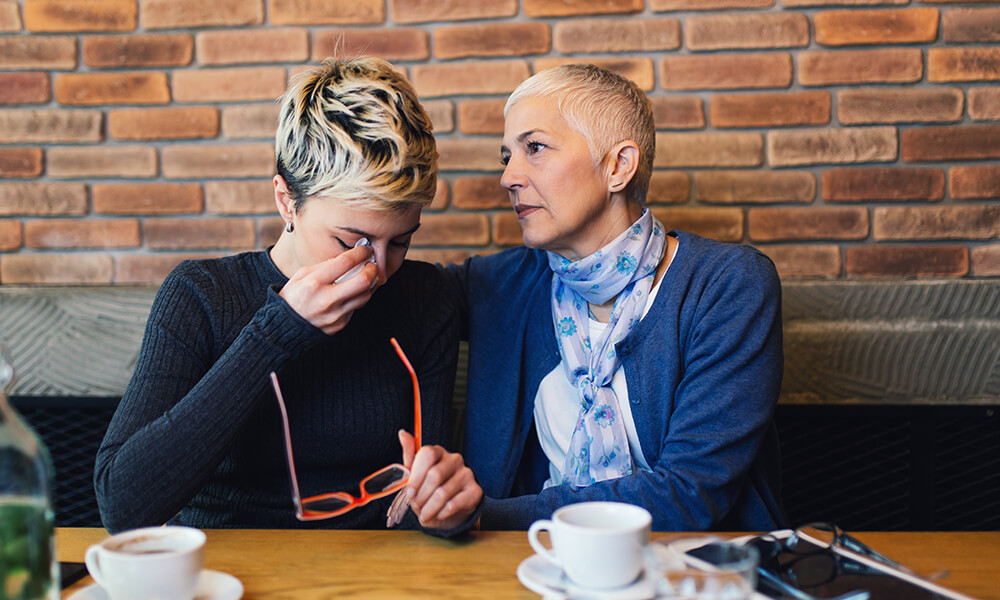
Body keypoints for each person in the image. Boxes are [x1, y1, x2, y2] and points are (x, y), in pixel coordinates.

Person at [95, 57, 482, 535]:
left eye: (401, 241)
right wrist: (276, 332)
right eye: (351, 242)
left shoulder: (426, 299)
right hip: (227, 573)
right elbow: (122, 506)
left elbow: (419, 507)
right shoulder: (201, 296)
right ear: (286, 200)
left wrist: (450, 509)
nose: (378, 269)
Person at [442, 64, 785, 531]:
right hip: (537, 564)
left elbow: (690, 493)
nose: (508, 177)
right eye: (507, 157)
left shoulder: (727, 285)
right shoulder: (501, 285)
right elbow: (386, 282)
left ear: (618, 166)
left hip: (695, 572)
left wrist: (487, 516)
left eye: (535, 148)